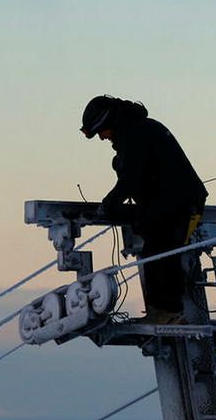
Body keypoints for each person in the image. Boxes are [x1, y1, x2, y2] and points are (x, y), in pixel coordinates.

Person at [80, 96, 208, 322]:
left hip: (182, 204)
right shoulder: (139, 130)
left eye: (102, 131)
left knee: (162, 251)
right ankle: (162, 311)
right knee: (157, 248)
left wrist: (108, 205)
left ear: (109, 122)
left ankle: (167, 312)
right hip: (172, 202)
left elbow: (131, 179)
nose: (102, 137)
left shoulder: (135, 135)